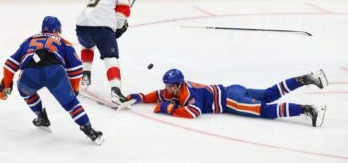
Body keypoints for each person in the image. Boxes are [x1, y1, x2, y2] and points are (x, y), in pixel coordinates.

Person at [0, 16, 104, 144]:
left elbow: (9, 64)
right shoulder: (64, 42)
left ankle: (41, 117)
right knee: (71, 104)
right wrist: (73, 89)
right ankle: (89, 130)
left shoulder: (28, 40)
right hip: (55, 73)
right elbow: (76, 68)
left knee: (25, 91)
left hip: (30, 74)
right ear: (57, 30)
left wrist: (6, 84)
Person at [127, 68, 328, 127]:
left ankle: (307, 109)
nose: (166, 90)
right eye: (166, 86)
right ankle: (304, 79)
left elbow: (193, 112)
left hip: (230, 101)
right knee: (269, 94)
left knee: (265, 110)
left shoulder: (187, 93)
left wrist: (166, 109)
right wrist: (137, 97)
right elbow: (158, 95)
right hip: (233, 89)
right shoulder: (177, 89)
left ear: (178, 85)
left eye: (169, 86)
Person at [76, 0, 133, 106]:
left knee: (87, 45)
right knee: (111, 58)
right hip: (101, 28)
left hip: (81, 25)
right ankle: (116, 91)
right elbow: (122, 15)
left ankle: (85, 76)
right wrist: (119, 29)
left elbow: (98, 8)